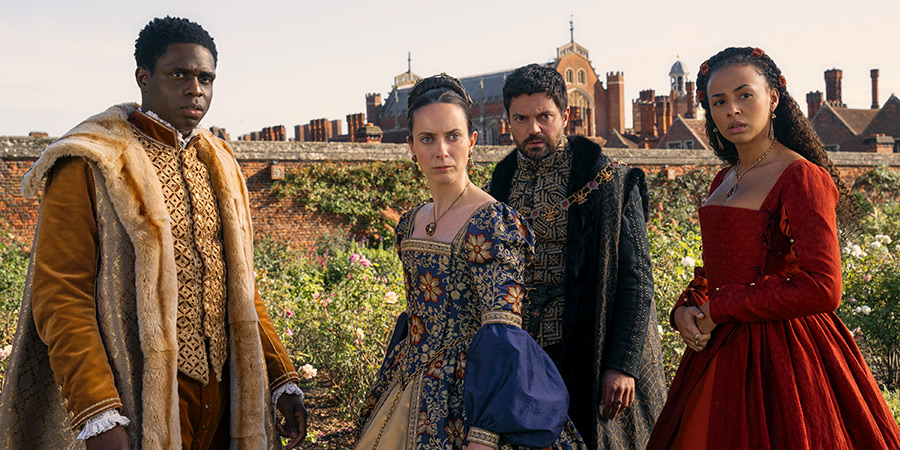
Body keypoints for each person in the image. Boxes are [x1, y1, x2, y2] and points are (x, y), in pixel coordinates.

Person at [0, 16, 307, 449]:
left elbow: (242, 285)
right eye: (179, 74)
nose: (195, 88)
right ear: (144, 78)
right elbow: (61, 294)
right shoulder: (91, 159)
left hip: (227, 394)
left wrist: (281, 377)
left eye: (206, 77)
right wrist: (99, 413)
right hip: (138, 391)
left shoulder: (220, 161)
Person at [646, 47, 900, 449]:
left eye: (745, 95)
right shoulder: (724, 179)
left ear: (774, 98)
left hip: (786, 360)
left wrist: (721, 307)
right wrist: (687, 306)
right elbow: (718, 269)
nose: (733, 110)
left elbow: (823, 287)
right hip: (717, 351)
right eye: (719, 101)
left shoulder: (801, 176)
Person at [355, 74, 584, 450]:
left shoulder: (493, 224)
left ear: (472, 141)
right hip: (407, 383)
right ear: (410, 145)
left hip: (473, 397)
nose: (441, 151)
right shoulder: (411, 222)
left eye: (453, 136)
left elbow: (504, 335)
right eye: (427, 139)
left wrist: (484, 436)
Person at [487, 63, 665, 450]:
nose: (533, 129)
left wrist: (622, 364)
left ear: (565, 116)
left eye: (544, 117)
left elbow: (637, 278)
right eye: (521, 118)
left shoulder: (610, 180)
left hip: (590, 348)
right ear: (508, 122)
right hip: (521, 354)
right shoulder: (495, 189)